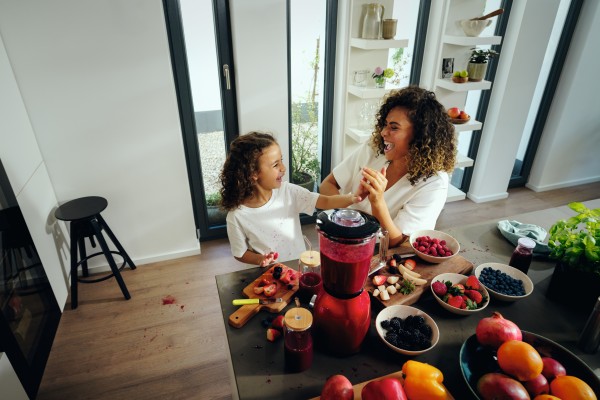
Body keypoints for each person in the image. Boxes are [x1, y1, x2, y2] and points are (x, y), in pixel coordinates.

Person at [320, 86, 457, 248]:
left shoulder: (434, 183)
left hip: (379, 255)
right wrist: (347, 221)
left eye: (394, 127)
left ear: (420, 135)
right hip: (340, 238)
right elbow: (327, 185)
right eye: (385, 125)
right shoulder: (373, 149)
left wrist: (377, 202)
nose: (383, 132)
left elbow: (400, 243)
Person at [219, 131, 364, 266]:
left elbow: (324, 201)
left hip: (299, 266)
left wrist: (353, 198)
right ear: (253, 173)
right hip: (271, 273)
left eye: (281, 160)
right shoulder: (237, 216)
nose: (283, 168)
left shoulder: (288, 192)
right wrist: (260, 259)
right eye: (276, 164)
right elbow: (240, 253)